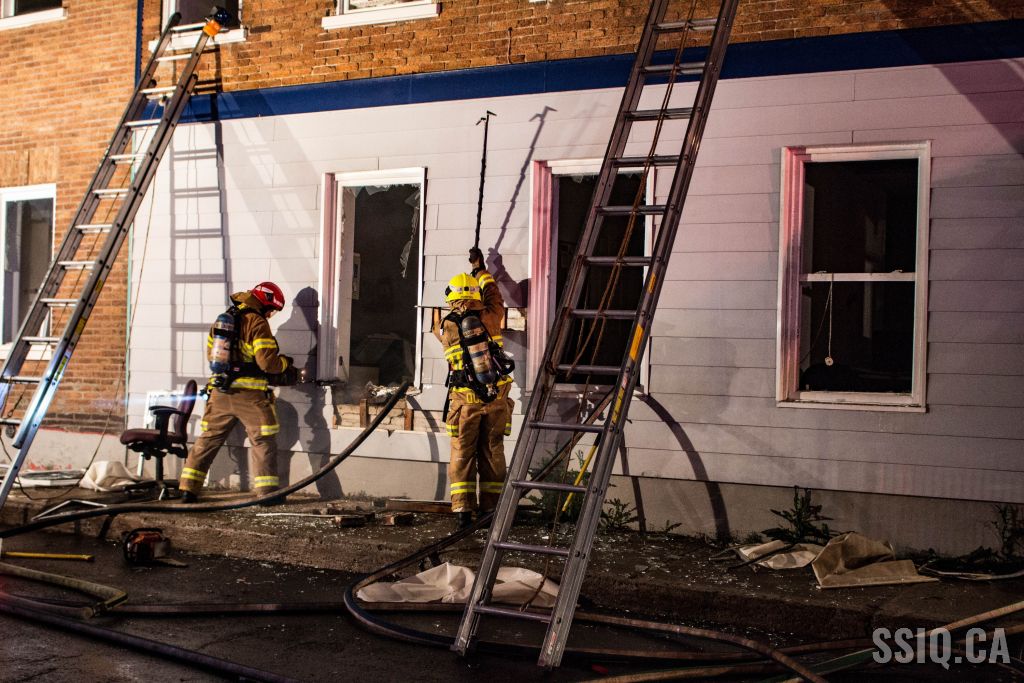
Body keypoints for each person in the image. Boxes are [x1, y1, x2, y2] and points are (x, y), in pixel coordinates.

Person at [179, 282, 299, 504]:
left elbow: (212, 356)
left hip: (220, 392)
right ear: (264, 303)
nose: (270, 315)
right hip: (250, 395)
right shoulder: (257, 322)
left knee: (208, 439)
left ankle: (188, 489)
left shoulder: (223, 320)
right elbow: (267, 363)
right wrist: (285, 363)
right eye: (271, 310)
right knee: (262, 440)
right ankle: (267, 494)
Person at [436, 248, 514, 529]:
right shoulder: (492, 315)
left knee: (462, 452)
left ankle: (462, 510)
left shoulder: (444, 326)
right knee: (493, 450)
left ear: (452, 298)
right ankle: (491, 510)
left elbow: (440, 334)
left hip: (464, 401)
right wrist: (480, 270)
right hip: (496, 396)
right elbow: (495, 295)